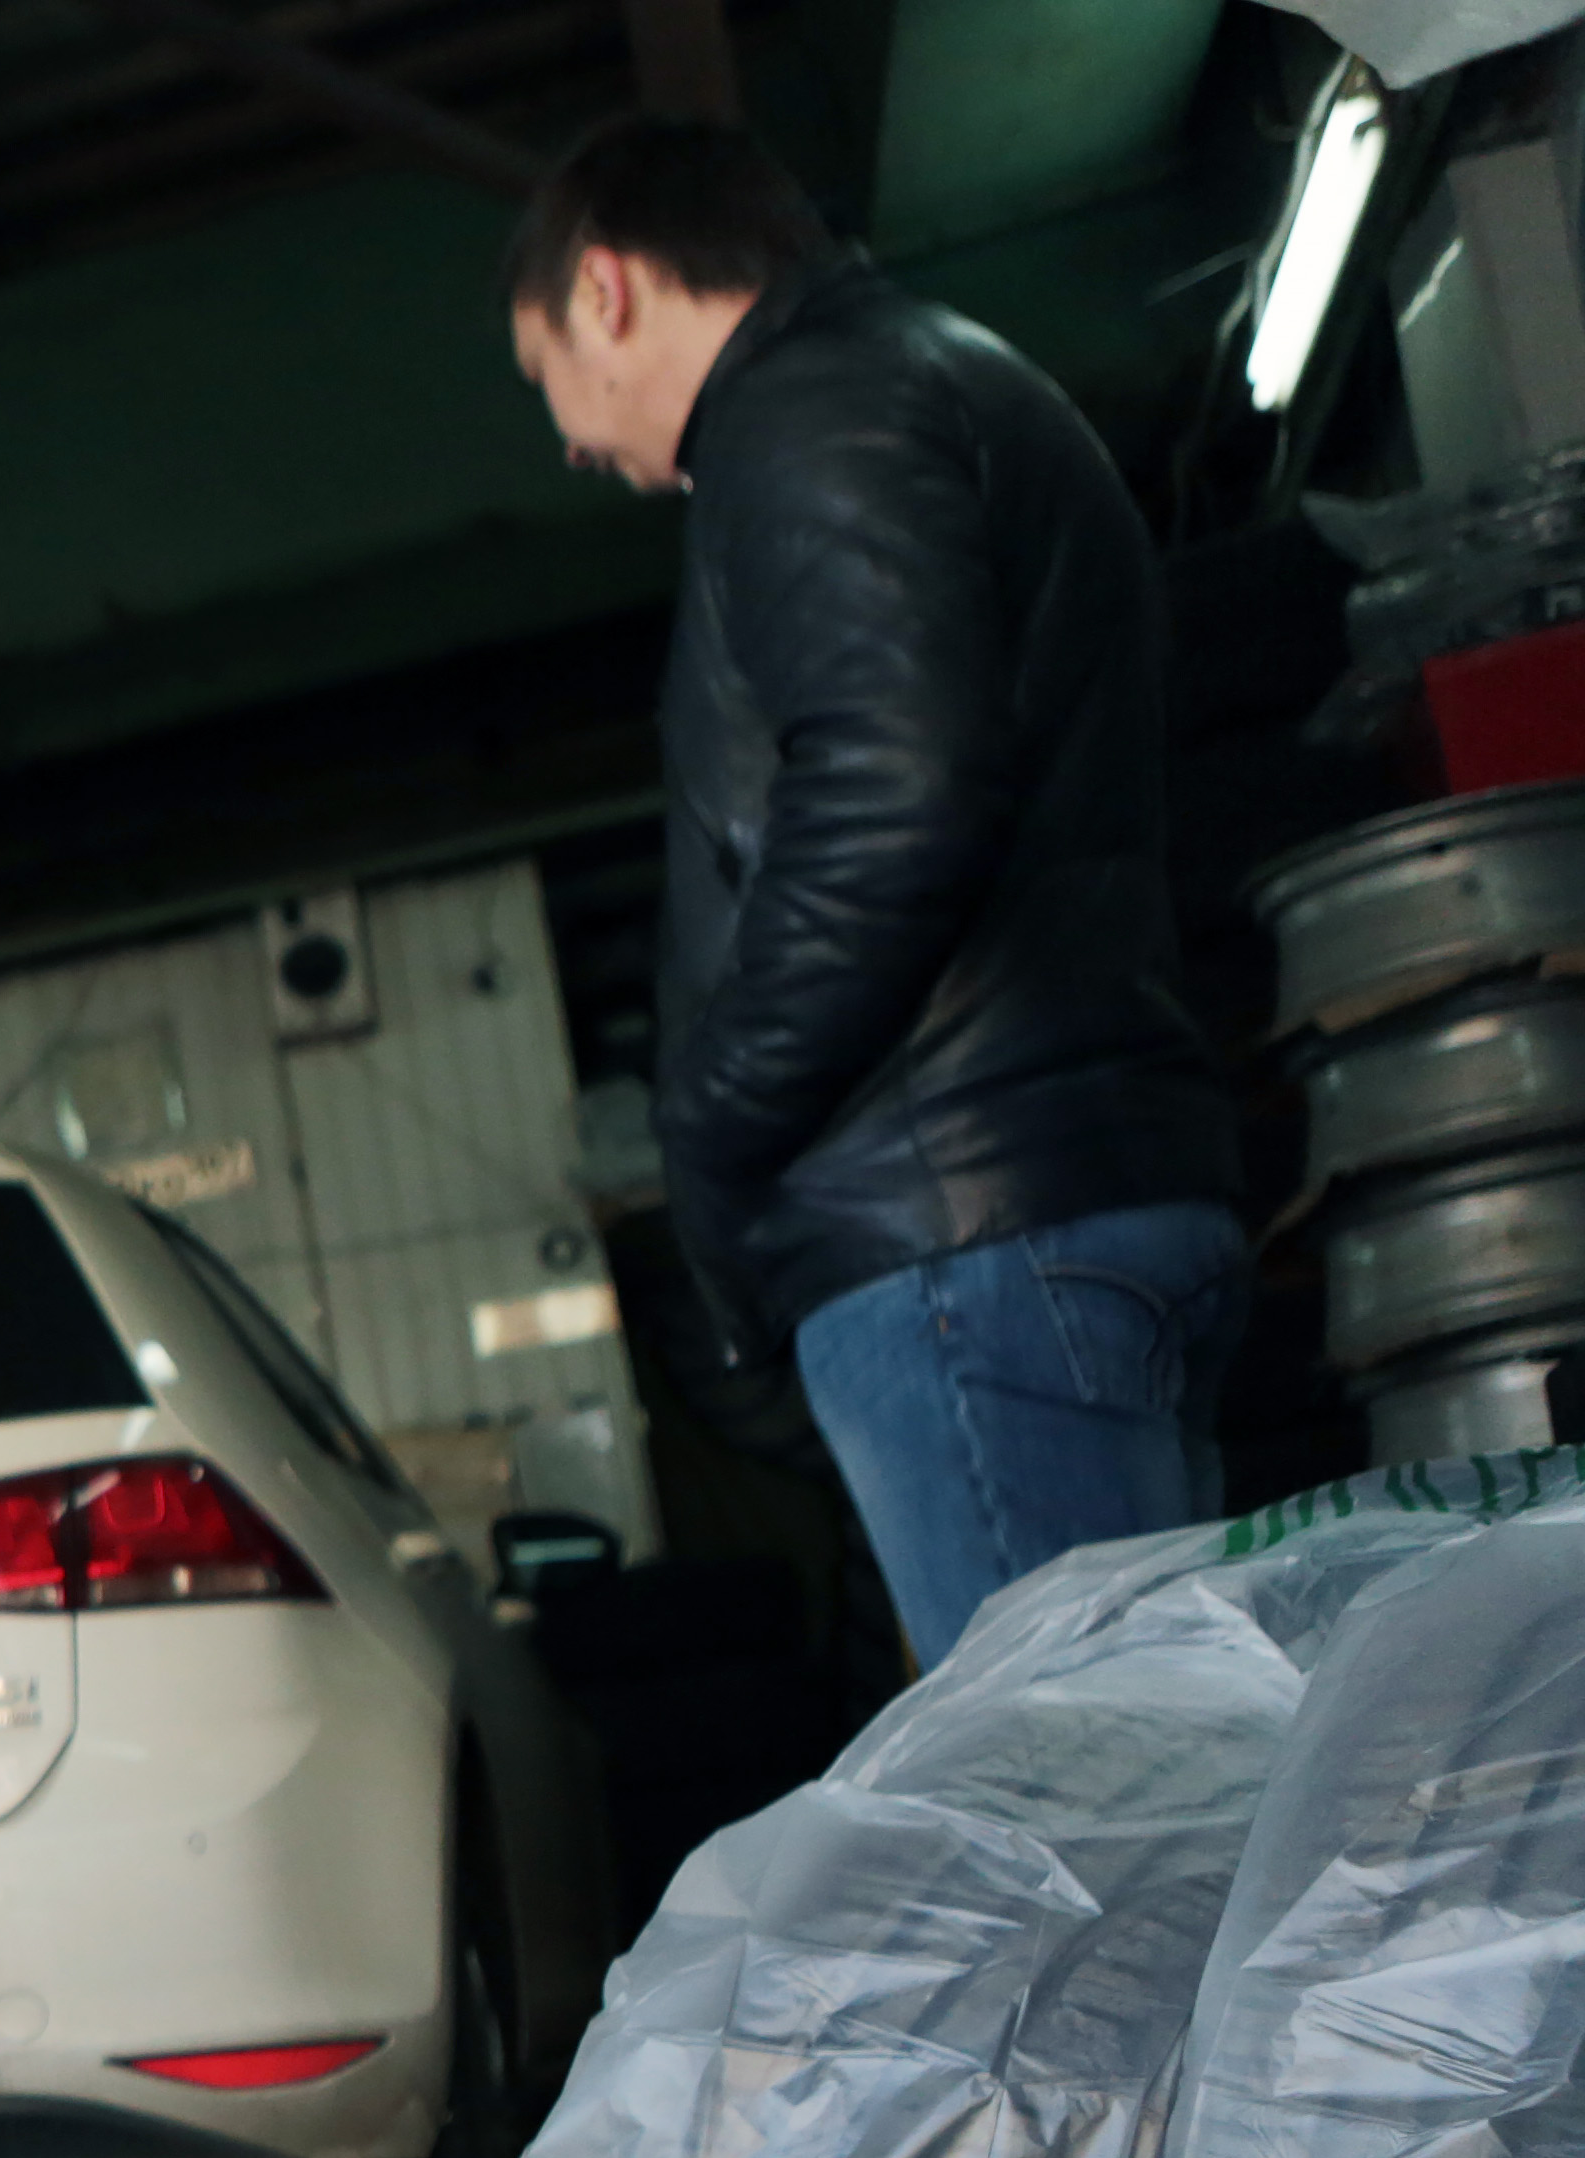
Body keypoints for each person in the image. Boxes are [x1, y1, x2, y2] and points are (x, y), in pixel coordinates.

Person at [506, 119, 1245, 1661]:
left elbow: (898, 786)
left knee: (1095, 1826)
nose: (569, 438)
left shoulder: (810, 413)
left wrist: (709, 1113)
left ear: (607, 290)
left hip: (965, 1241)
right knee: (1180, 1782)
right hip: (1057, 1190)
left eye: (545, 379)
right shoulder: (935, 381)